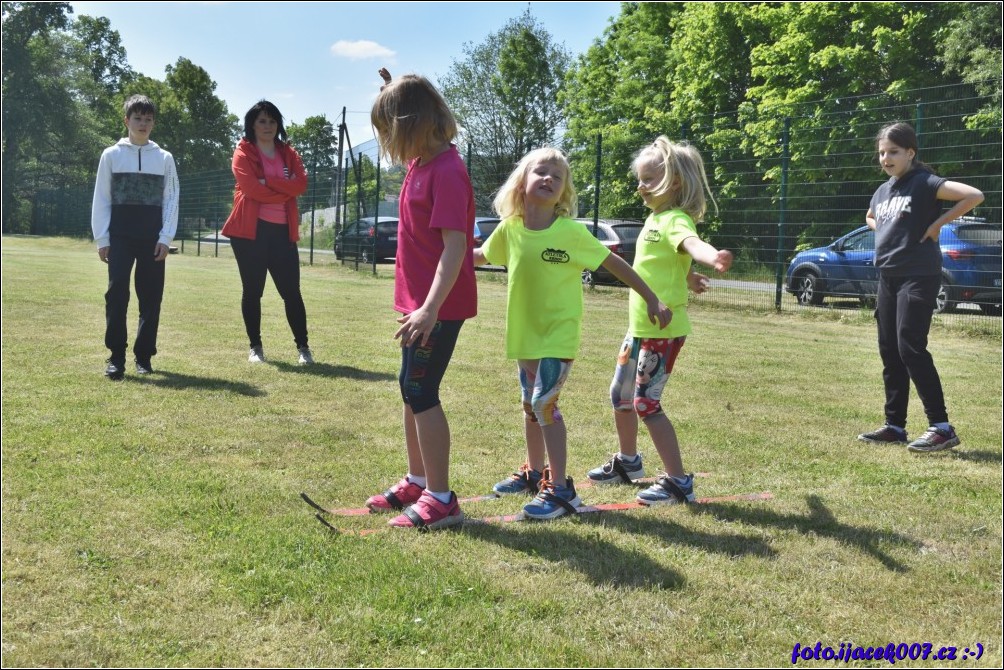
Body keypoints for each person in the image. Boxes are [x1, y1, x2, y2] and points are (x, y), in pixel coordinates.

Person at [475, 147, 673, 520]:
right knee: (529, 405)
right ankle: (536, 474)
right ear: (522, 181)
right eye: (541, 172)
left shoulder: (570, 232)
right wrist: (441, 254)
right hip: (524, 334)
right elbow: (481, 256)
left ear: (564, 191)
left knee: (544, 404)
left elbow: (615, 263)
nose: (548, 179)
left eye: (558, 176)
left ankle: (563, 492)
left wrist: (651, 297)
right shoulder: (511, 229)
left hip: (558, 335)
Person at [585, 137, 733, 506]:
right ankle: (629, 463)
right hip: (638, 328)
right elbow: (663, 262)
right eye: (640, 180)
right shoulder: (653, 219)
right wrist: (687, 279)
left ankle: (679, 482)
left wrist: (712, 258)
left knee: (646, 403)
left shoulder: (674, 219)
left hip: (664, 332)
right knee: (619, 396)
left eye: (649, 180)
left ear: (675, 183)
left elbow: (691, 244)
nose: (640, 187)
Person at [366, 70, 477, 530]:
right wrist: (391, 92)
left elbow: (455, 247)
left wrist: (430, 308)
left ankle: (442, 497)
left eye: (390, 129)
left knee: (421, 390)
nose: (387, 142)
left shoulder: (448, 171)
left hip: (439, 306)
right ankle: (418, 479)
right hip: (418, 305)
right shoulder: (421, 162)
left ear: (411, 124)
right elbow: (412, 105)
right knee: (408, 386)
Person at [857, 122, 984, 453]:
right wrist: (883, 225)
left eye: (893, 152)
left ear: (910, 152)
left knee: (910, 345)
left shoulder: (925, 182)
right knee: (889, 348)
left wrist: (937, 224)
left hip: (919, 274)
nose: (886, 158)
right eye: (882, 153)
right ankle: (894, 426)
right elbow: (871, 215)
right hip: (889, 276)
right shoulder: (884, 190)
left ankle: (941, 427)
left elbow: (974, 195)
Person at [92, 94, 180, 380]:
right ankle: (116, 357)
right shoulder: (111, 155)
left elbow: (171, 199)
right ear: (127, 120)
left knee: (151, 298)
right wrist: (102, 238)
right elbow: (102, 198)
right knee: (116, 295)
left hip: (152, 240)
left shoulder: (164, 158)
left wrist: (165, 237)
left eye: (148, 119)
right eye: (137, 118)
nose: (143, 123)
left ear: (153, 123)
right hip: (119, 238)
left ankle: (144, 357)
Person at [221, 100, 312, 365]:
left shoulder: (289, 153)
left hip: (283, 233)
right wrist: (284, 186)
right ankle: (255, 347)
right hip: (250, 234)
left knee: (291, 293)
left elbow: (301, 185)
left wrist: (269, 182)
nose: (267, 126)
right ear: (252, 124)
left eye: (272, 121)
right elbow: (251, 189)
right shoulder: (242, 152)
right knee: (252, 292)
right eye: (262, 121)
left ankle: (303, 348)